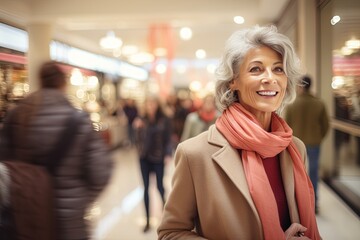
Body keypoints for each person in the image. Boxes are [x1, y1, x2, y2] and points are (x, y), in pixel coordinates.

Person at [158, 25, 321, 240]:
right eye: (256, 69)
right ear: (233, 81)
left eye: (278, 69)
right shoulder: (195, 154)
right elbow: (171, 233)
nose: (270, 78)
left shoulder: (294, 148)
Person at [0, 61, 113, 240]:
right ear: (63, 84)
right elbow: (102, 172)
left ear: (40, 81)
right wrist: (79, 201)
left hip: (24, 220)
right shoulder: (79, 122)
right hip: (67, 224)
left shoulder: (16, 117)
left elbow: (4, 169)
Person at [285, 75, 329, 213]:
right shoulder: (319, 103)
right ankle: (314, 203)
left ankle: (297, 203)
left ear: (301, 86)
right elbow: (326, 125)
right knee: (314, 172)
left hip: (296, 144)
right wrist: (318, 137)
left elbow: (286, 125)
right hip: (314, 143)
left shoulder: (292, 104)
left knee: (296, 173)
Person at [133, 96, 172, 233]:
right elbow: (137, 140)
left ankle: (167, 215)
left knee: (160, 187)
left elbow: (168, 139)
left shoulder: (164, 119)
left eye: (153, 103)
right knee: (146, 188)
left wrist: (168, 154)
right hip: (144, 158)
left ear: (157, 104)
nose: (151, 106)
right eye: (148, 103)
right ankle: (148, 220)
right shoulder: (141, 119)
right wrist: (137, 129)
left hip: (158, 158)